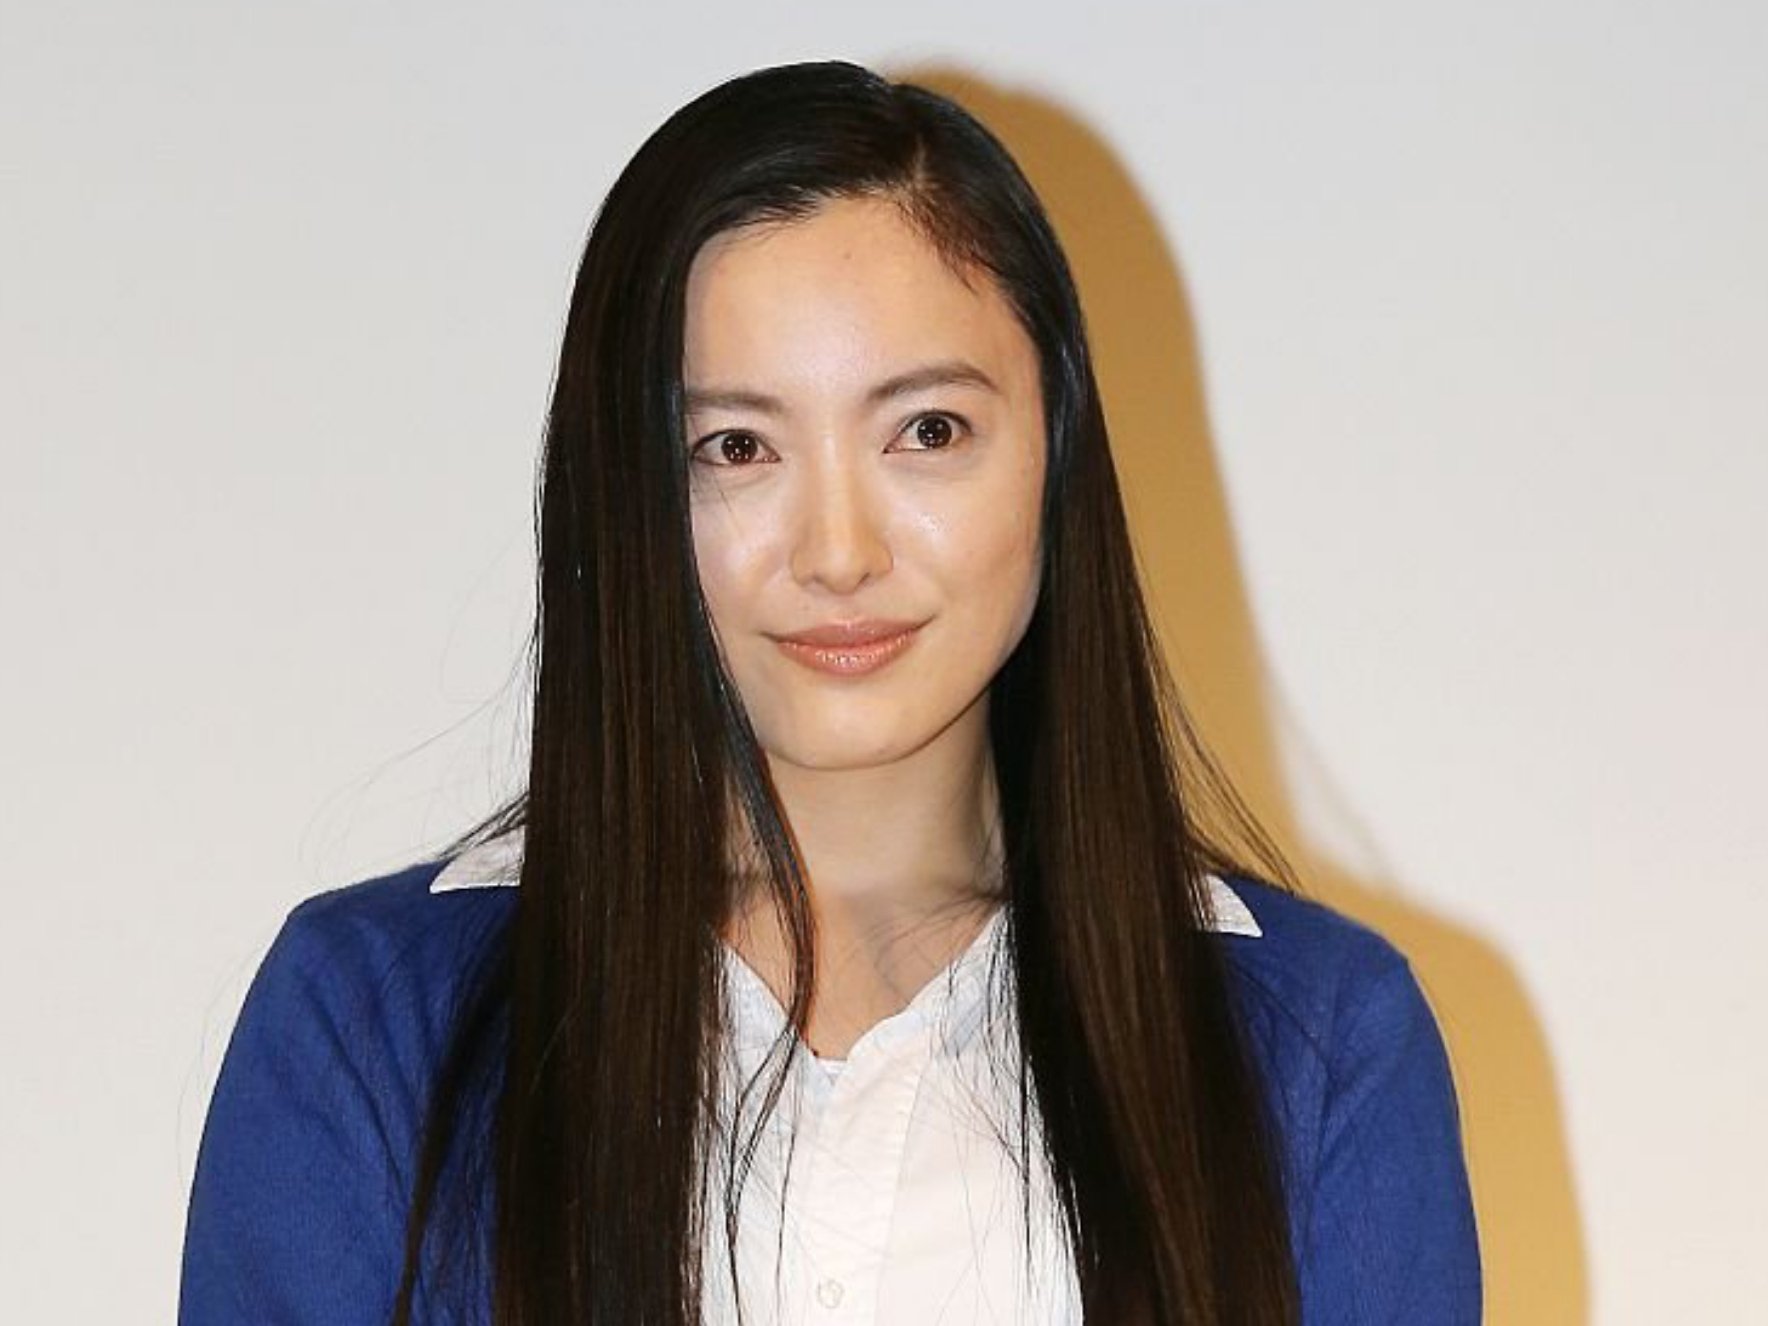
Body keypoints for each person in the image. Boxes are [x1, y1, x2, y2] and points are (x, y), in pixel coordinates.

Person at [178, 61, 1481, 1325]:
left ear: (1057, 451)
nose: (839, 550)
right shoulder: (371, 1020)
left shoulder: (1319, 1047)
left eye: (928, 431)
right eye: (737, 447)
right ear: (627, 496)